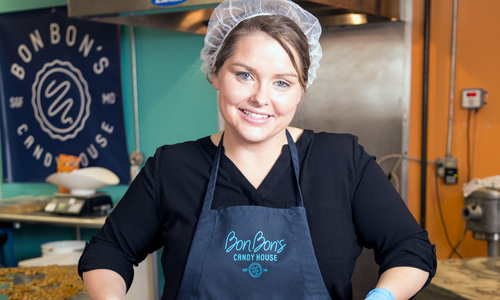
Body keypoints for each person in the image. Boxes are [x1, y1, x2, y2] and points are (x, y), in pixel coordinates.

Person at [78, 0, 437, 299]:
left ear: (301, 91)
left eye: (282, 82)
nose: (261, 98)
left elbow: (412, 248)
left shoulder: (341, 161)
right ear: (215, 73)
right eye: (244, 74)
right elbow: (107, 251)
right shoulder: (172, 167)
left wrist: (383, 297)